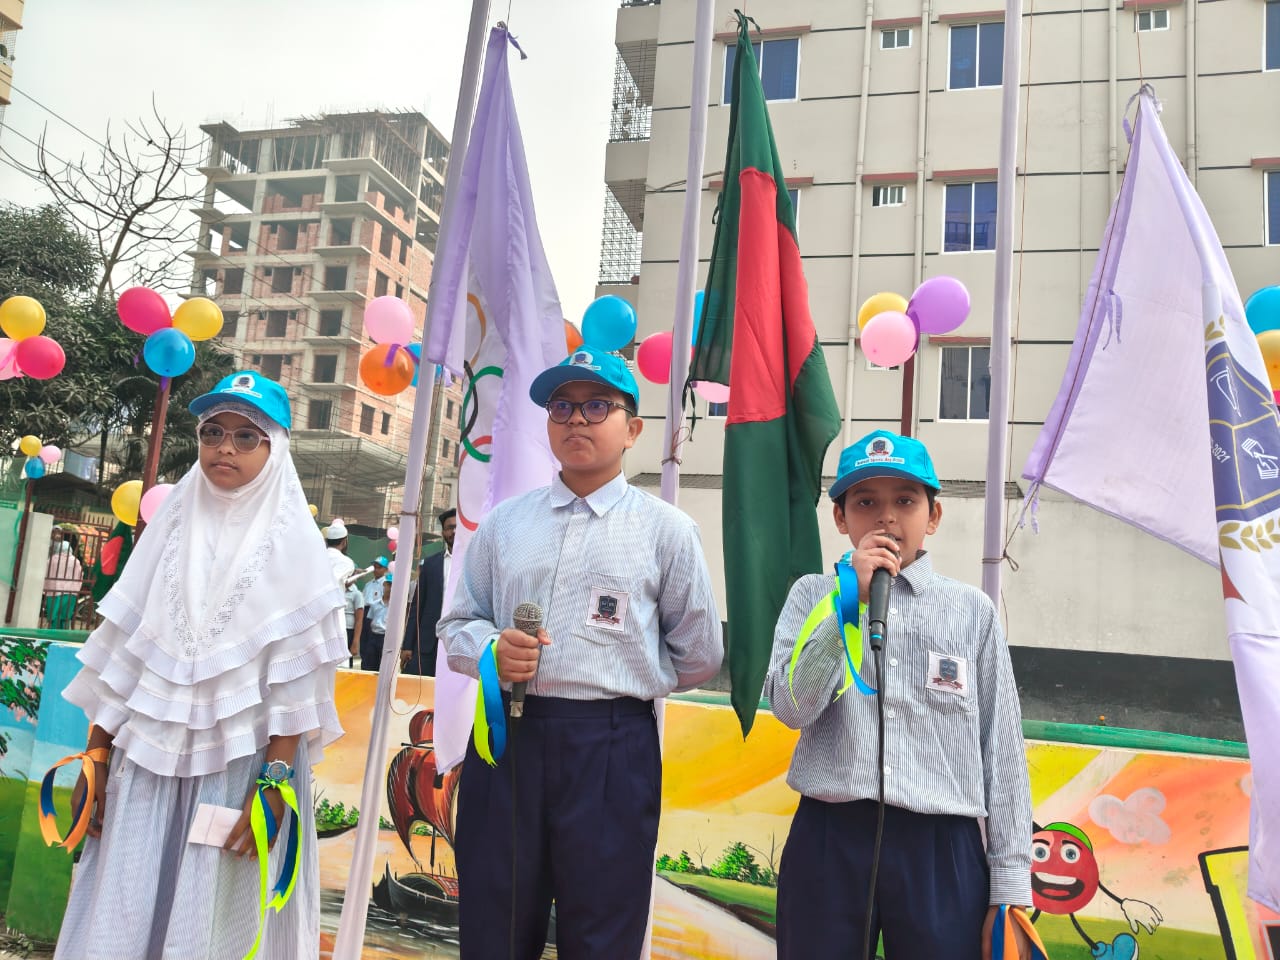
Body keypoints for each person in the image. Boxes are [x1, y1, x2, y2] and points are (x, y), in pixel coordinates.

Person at [439, 347, 723, 959]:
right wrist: (492, 650)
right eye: (562, 407)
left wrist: (626, 674)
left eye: (598, 406)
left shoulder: (666, 530)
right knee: (494, 921)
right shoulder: (505, 524)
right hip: (506, 741)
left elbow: (699, 653)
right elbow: (457, 625)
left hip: (612, 748)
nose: (577, 420)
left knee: (602, 929)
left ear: (633, 428)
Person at [55, 370, 347, 960]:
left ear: (276, 447)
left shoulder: (301, 554)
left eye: (247, 436)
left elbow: (297, 684)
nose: (225, 448)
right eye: (214, 432)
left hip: (240, 774)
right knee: (124, 911)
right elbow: (121, 660)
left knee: (214, 922)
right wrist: (96, 756)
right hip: (145, 766)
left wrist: (273, 784)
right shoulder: (167, 533)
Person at [764, 430, 1033, 960]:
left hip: (940, 846)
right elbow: (790, 708)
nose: (886, 518)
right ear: (841, 520)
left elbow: (1000, 750)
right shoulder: (811, 596)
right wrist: (849, 603)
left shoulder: (971, 612)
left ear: (932, 517)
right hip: (830, 836)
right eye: (865, 502)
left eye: (905, 502)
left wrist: (1009, 887)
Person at [402, 509, 455, 675]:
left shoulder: (475, 562)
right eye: (449, 527)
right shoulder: (431, 564)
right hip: (427, 644)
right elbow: (417, 606)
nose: (454, 531)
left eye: (458, 527)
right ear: (443, 533)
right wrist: (407, 645)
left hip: (461, 643)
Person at [43, 526, 84, 630]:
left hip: (54, 591)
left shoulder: (52, 559)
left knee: (54, 614)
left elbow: (46, 573)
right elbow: (80, 575)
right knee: (65, 616)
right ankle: (63, 634)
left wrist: (45, 586)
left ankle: (52, 633)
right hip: (71, 592)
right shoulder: (76, 561)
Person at [361, 572, 391, 672]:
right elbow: (369, 620)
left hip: (385, 637)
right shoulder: (375, 604)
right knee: (369, 663)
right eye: (388, 585)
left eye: (392, 585)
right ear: (384, 585)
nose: (390, 588)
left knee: (382, 665)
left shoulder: (396, 607)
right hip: (373, 636)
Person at [325, 518, 355, 588]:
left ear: (326, 540)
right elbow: (333, 584)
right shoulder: (346, 562)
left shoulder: (316, 557)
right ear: (344, 541)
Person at [344, 578, 366, 670]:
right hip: (335, 630)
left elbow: (359, 619)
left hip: (348, 631)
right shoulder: (336, 591)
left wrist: (355, 642)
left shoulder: (357, 594)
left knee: (345, 662)